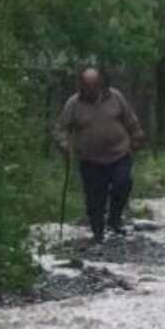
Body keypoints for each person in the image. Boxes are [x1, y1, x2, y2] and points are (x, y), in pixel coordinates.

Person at [53, 67, 147, 242]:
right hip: (90, 159)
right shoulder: (74, 103)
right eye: (86, 85)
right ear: (81, 85)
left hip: (119, 153)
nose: (90, 89)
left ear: (101, 84)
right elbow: (60, 128)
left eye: (94, 85)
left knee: (123, 183)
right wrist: (63, 144)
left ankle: (114, 218)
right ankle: (98, 231)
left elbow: (130, 118)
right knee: (95, 196)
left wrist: (137, 135)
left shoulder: (115, 97)